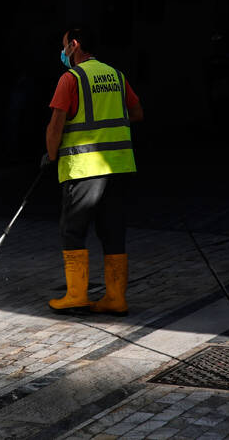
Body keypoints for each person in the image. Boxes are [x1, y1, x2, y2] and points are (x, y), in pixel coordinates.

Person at [43, 26, 143, 316]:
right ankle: (115, 298)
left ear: (75, 45)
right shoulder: (116, 76)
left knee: (72, 231)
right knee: (112, 231)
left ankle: (75, 296)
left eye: (64, 46)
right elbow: (137, 113)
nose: (63, 53)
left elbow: (55, 125)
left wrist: (51, 156)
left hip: (84, 168)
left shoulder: (70, 78)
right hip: (118, 168)